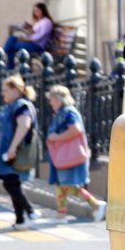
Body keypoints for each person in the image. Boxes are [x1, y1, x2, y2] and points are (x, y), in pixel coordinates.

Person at [46, 85, 106, 223]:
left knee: (68, 185)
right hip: (63, 157)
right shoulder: (64, 112)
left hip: (68, 157)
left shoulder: (68, 112)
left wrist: (56, 137)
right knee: (61, 185)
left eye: (52, 99)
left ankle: (96, 204)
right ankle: (61, 215)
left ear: (59, 99)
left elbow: (75, 130)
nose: (50, 103)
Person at [0, 75, 39, 229]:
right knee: (12, 182)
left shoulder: (21, 105)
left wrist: (13, 147)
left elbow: (24, 125)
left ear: (15, 90)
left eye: (5, 90)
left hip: (15, 152)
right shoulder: (9, 106)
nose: (2, 93)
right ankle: (21, 219)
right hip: (6, 152)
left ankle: (30, 210)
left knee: (10, 183)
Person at [3, 3, 54, 69]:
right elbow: (33, 33)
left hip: (37, 46)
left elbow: (40, 36)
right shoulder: (39, 22)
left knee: (12, 47)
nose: (36, 13)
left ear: (43, 10)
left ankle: (4, 60)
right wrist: (26, 32)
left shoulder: (47, 22)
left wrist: (26, 39)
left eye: (38, 11)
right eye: (34, 11)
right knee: (12, 38)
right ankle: (5, 60)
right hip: (31, 43)